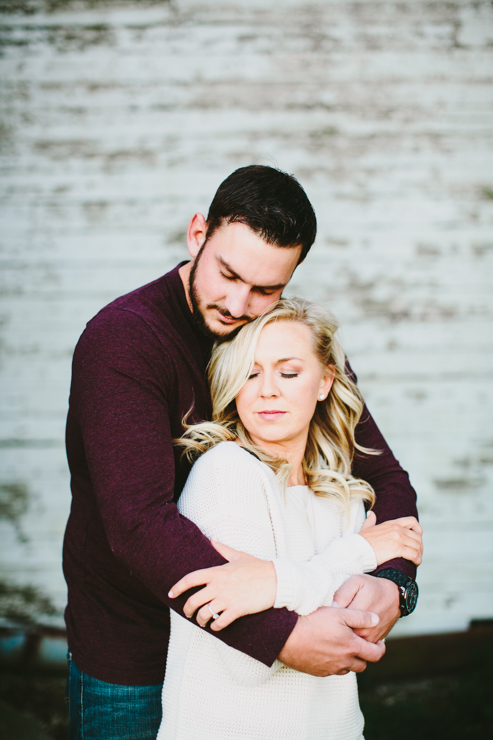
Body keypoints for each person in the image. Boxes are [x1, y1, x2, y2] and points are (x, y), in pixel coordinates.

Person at [63, 165, 421, 740]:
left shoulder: (286, 336)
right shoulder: (125, 342)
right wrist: (279, 635)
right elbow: (137, 525)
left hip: (273, 681)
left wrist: (393, 583)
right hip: (136, 659)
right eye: (228, 274)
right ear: (197, 234)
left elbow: (380, 471)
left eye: (266, 289)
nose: (238, 303)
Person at [158, 297, 422, 739]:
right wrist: (358, 551)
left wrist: (274, 583)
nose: (267, 389)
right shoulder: (224, 473)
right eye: (250, 372)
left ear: (324, 382)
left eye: (289, 371)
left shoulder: (343, 494)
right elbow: (246, 657)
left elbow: (355, 628)